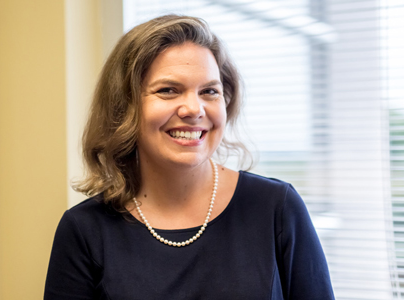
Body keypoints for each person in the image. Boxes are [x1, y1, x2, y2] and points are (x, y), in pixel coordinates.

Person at [44, 15, 335, 300]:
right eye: (168, 90)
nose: (194, 109)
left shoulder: (276, 207)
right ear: (124, 107)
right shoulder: (84, 229)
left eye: (209, 91)